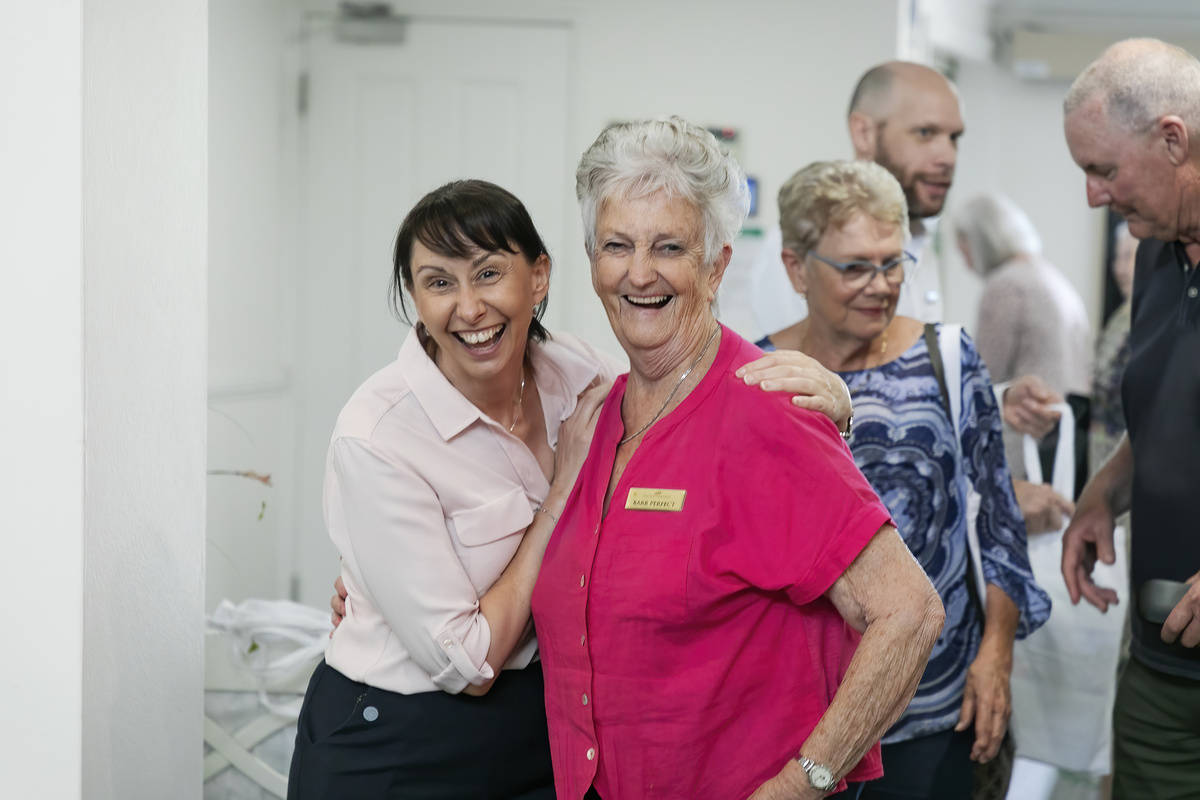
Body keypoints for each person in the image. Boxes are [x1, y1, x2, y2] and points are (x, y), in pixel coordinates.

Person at [307, 179, 858, 798]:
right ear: (415, 297)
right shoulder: (378, 434)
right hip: (398, 740)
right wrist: (561, 490)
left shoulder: (580, 373)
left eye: (489, 274)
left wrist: (828, 403)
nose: (468, 308)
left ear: (539, 276)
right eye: (439, 283)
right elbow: (468, 666)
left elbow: (689, 409)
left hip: (540, 727)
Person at [531, 119, 946, 800]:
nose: (639, 272)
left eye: (669, 246)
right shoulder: (596, 414)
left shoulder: (765, 407)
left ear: (717, 263)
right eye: (617, 246)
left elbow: (910, 612)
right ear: (591, 258)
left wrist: (801, 783)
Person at [758, 160, 1051, 800]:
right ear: (797, 267)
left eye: (894, 263)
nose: (881, 285)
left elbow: (997, 523)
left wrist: (996, 655)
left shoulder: (946, 358)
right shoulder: (761, 374)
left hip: (940, 708)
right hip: (812, 721)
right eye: (856, 266)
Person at [1061, 37, 1200, 799]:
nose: (1093, 196)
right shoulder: (1155, 253)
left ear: (1172, 138)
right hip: (1159, 670)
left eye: (1104, 170)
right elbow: (1165, 414)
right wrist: (1102, 495)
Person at [952, 192, 1091, 495]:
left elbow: (982, 377)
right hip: (1070, 434)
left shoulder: (1006, 285)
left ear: (982, 240)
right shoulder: (1053, 278)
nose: (965, 264)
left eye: (964, 250)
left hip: (1029, 438)